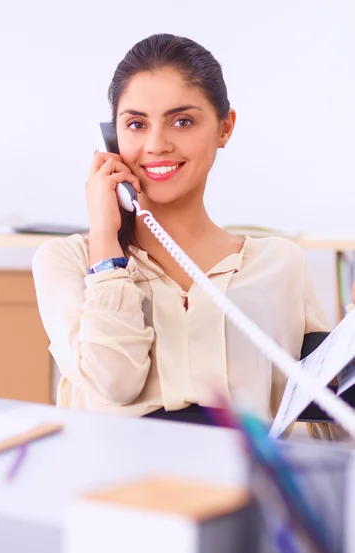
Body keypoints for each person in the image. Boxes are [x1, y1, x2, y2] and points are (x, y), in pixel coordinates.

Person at [32, 33, 354, 439]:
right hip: (116, 492)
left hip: (241, 492)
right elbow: (114, 381)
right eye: (135, 124)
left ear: (224, 127)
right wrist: (104, 238)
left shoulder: (279, 264)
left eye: (182, 121)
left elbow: (331, 432)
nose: (156, 145)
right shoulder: (67, 262)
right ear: (112, 139)